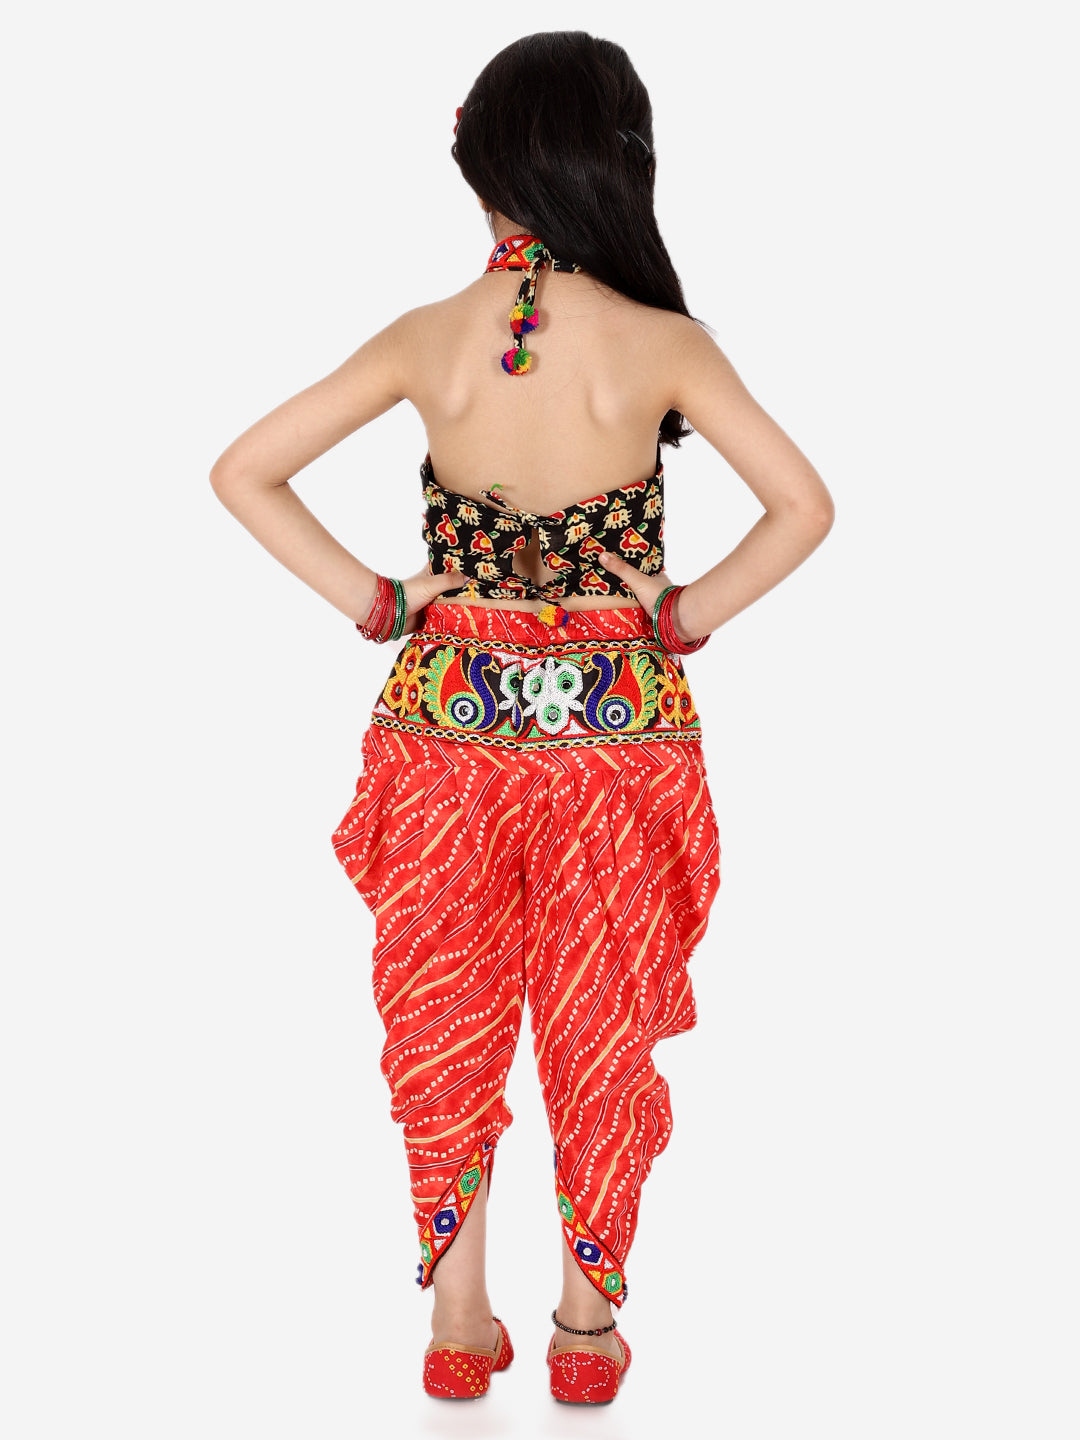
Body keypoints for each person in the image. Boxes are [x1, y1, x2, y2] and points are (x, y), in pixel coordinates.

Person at [209, 29, 834, 1406]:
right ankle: (586, 1331)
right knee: (598, 1011)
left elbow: (243, 470)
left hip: (446, 724)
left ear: (479, 160)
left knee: (447, 1000)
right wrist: (683, 614)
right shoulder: (663, 344)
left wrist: (382, 601)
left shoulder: (427, 337)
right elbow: (805, 507)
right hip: (617, 729)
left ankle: (456, 1321)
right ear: (619, 161)